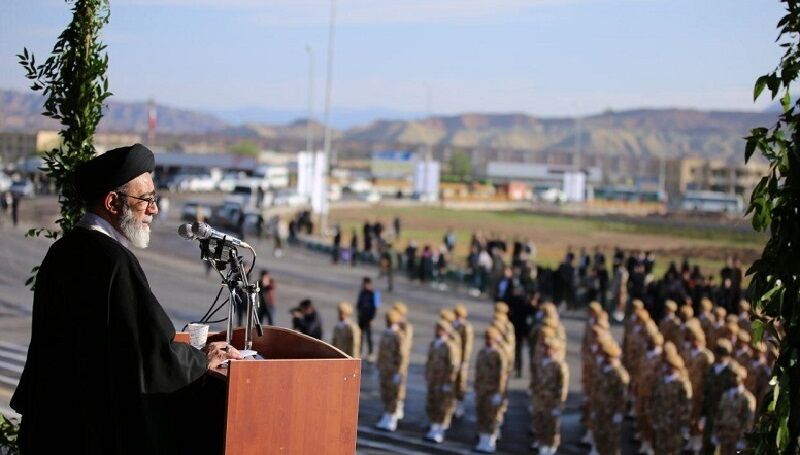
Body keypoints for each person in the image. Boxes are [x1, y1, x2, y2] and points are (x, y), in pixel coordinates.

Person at [11, 144, 243, 454]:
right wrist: (203, 359)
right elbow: (151, 357)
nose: (154, 209)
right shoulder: (114, 262)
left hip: (52, 427)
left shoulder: (62, 251)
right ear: (112, 202)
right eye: (146, 199)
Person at [651, 342, 692, 455]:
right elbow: (655, 400)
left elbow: (686, 406)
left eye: (669, 365)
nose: (666, 368)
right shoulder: (661, 381)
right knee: (659, 449)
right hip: (661, 422)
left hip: (675, 425)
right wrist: (653, 417)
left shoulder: (682, 384)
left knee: (672, 450)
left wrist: (684, 424)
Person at [532, 335, 569, 455]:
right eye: (544, 347)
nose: (545, 350)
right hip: (539, 399)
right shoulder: (540, 362)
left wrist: (559, 404)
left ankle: (551, 447)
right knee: (539, 423)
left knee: (551, 426)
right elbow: (535, 380)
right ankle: (542, 444)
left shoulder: (559, 366)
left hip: (552, 401)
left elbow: (562, 387)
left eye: (549, 348)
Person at [473, 327, 508, 454]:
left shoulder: (499, 354)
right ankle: (482, 440)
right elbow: (477, 372)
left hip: (492, 391)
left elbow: (502, 375)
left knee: (491, 417)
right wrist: (476, 387)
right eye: (487, 338)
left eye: (491, 338)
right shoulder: (482, 353)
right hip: (482, 390)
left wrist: (499, 392)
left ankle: (490, 442)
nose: (488, 341)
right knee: (481, 415)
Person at [424, 321, 460, 444]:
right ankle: (433, 427)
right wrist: (427, 376)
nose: (437, 331)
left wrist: (449, 382)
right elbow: (429, 361)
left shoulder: (449, 346)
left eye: (440, 329)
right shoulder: (433, 344)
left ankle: (440, 430)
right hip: (433, 381)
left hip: (443, 381)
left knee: (443, 407)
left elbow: (453, 366)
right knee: (432, 404)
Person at [713, 363, 755, 455]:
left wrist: (743, 440)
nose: (732, 378)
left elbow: (748, 421)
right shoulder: (726, 395)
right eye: (731, 376)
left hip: (736, 438)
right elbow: (719, 414)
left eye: (735, 376)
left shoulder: (747, 398)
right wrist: (716, 432)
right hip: (724, 436)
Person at [375, 309, 404, 432]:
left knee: (393, 394)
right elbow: (381, 352)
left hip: (393, 369)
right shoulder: (385, 333)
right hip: (384, 369)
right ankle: (386, 414)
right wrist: (378, 365)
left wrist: (399, 372)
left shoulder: (398, 336)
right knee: (385, 392)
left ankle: (392, 417)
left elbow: (402, 355)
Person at [452, 304, 474, 419]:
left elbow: (467, 345)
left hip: (460, 357)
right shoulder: (452, 324)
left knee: (460, 383)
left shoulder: (465, 327)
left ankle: (459, 404)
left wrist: (464, 360)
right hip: (452, 357)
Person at [356, 277, 378, 359]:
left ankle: (370, 353)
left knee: (369, 336)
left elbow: (375, 307)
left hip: (369, 318)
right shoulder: (362, 293)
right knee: (360, 336)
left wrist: (372, 318)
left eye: (365, 284)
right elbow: (358, 304)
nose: (364, 286)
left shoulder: (374, 294)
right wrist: (358, 312)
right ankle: (359, 351)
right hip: (361, 317)